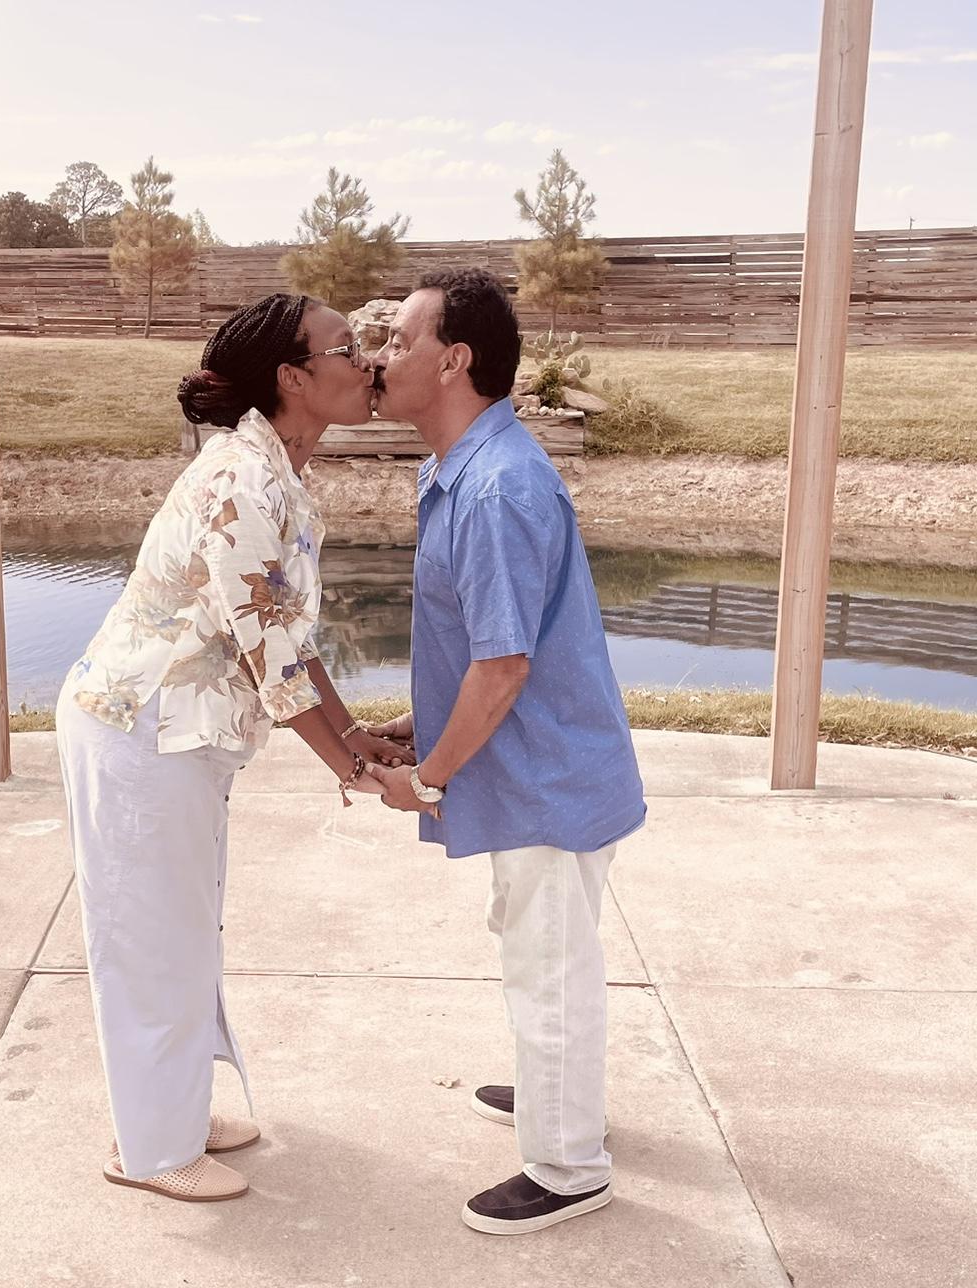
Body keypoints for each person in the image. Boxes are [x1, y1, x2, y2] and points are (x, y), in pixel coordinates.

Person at [56, 293, 408, 1204]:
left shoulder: (273, 469)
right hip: (141, 730)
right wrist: (353, 769)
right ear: (293, 377)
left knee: (182, 933)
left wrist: (356, 735)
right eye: (347, 347)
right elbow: (269, 654)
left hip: (179, 736)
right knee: (150, 940)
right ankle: (150, 1149)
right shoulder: (243, 481)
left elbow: (286, 633)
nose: (368, 361)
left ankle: (169, 1113)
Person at [366, 268, 646, 1235]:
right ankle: (558, 1092)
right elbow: (490, 652)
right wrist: (427, 726)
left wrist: (429, 777)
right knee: (542, 949)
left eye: (398, 339)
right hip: (537, 765)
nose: (380, 356)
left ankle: (569, 1168)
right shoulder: (464, 470)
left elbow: (503, 666)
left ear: (453, 360)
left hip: (547, 780)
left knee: (549, 967)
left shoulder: (494, 488)